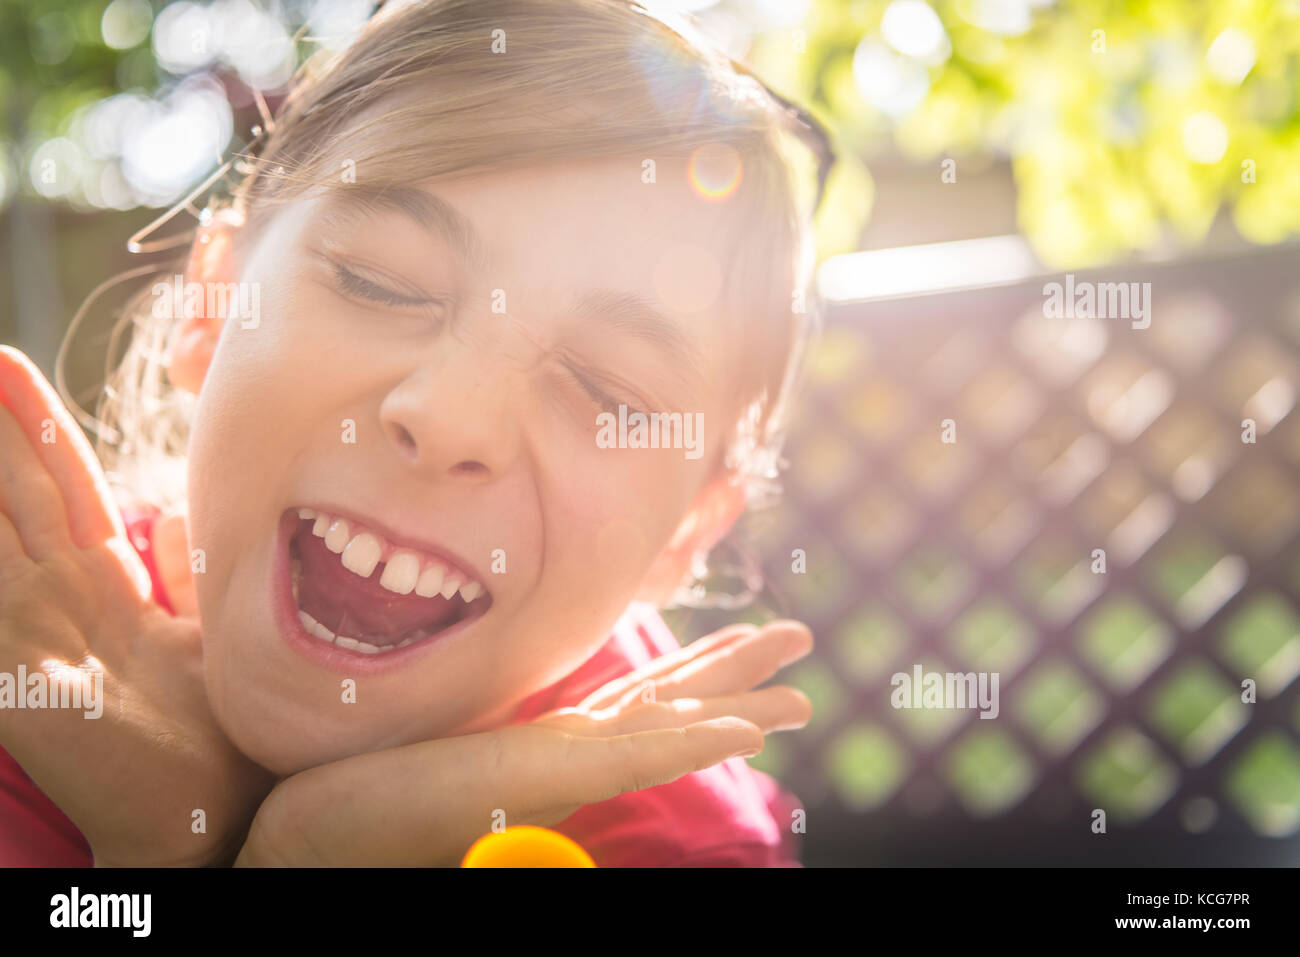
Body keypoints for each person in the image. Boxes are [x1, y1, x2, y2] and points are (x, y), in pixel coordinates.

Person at [0, 0, 822, 866]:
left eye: (607, 393)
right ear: (210, 305)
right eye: (381, 283)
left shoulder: (675, 845)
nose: (449, 416)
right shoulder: (30, 656)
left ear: (686, 534)